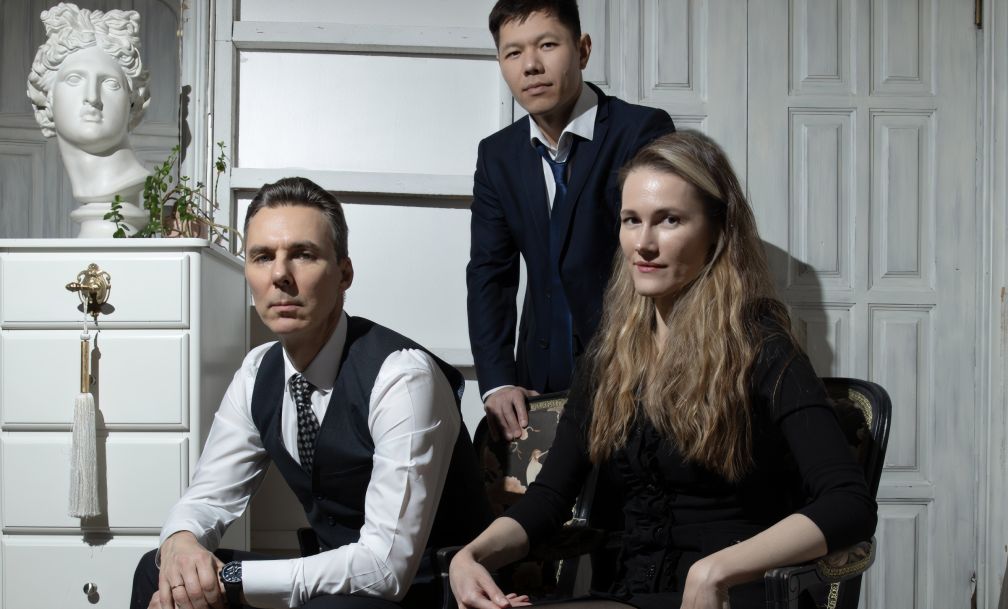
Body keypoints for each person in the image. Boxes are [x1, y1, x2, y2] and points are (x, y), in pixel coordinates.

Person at [449, 131, 878, 609]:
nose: (644, 243)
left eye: (669, 220)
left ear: (718, 231)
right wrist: (471, 555)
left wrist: (716, 571)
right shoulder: (610, 355)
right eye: (631, 220)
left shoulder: (763, 348)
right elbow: (550, 498)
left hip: (732, 596)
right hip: (628, 595)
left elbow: (849, 504)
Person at [131, 177, 491, 609]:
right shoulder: (257, 373)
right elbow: (208, 496)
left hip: (428, 590)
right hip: (333, 583)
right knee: (157, 571)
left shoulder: (402, 377)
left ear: (344, 274)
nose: (280, 275)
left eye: (303, 254)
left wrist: (231, 579)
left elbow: (385, 569)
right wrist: (180, 545)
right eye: (263, 257)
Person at [467, 0, 675, 441]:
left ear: (582, 50)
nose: (530, 65)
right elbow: (490, 272)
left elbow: (665, 255)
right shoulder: (497, 155)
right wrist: (498, 381)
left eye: (547, 45)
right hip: (537, 381)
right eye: (513, 52)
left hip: (634, 371)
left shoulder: (641, 132)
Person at [27, 2, 151, 207]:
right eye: (74, 79)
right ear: (47, 96)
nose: (92, 97)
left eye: (110, 83)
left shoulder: (127, 181)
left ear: (132, 101)